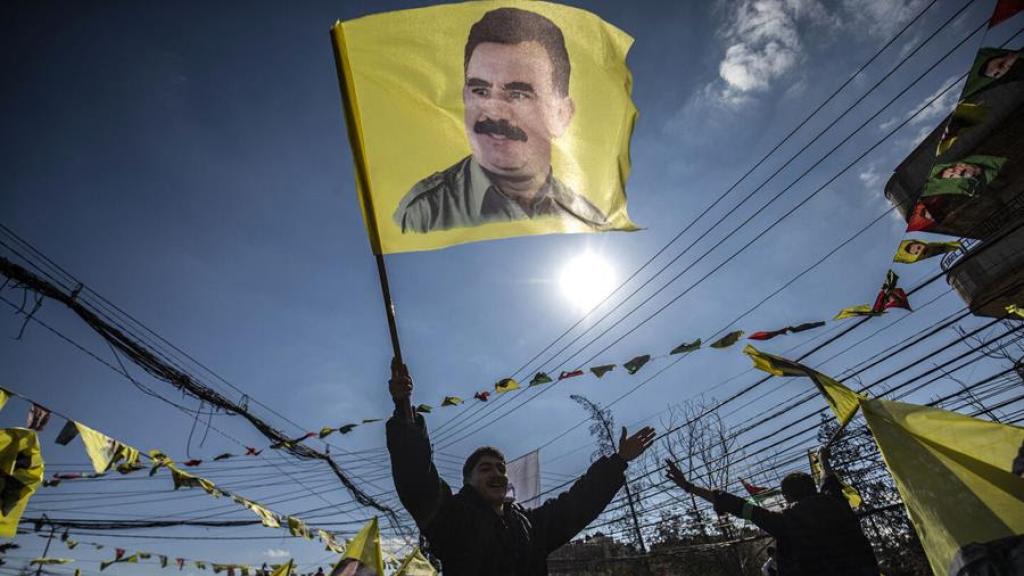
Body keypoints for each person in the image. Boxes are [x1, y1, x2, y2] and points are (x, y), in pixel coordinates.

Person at [386, 359, 655, 575]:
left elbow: (577, 505)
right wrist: (404, 412)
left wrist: (617, 462)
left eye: (501, 469)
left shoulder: (529, 525)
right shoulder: (451, 519)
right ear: (467, 480)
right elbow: (417, 479)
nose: (497, 474)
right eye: (486, 469)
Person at [394, 7, 609, 234]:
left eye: (518, 95)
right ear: (464, 96)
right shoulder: (424, 214)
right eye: (480, 91)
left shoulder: (587, 223)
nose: (494, 113)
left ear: (561, 115)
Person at [665, 446, 879, 576]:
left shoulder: (784, 521)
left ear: (787, 497)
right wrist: (823, 459)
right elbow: (828, 479)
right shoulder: (837, 503)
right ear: (812, 489)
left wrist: (688, 486)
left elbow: (736, 505)